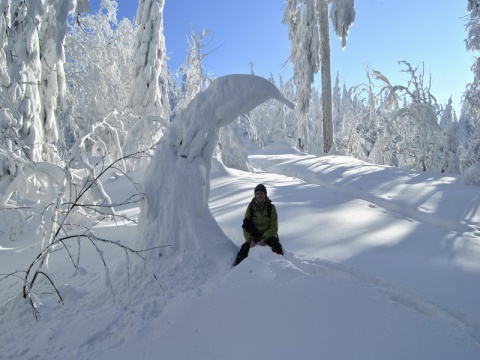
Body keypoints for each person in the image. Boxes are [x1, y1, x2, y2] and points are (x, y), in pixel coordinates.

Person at [233, 184, 283, 266]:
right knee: (244, 248)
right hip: (254, 236)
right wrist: (250, 239)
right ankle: (237, 266)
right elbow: (245, 226)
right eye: (257, 193)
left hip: (268, 236)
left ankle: (280, 265)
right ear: (255, 195)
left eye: (261, 193)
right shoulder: (251, 208)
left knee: (277, 246)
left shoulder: (271, 207)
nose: (259, 195)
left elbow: (274, 227)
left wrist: (264, 238)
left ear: (265, 194)